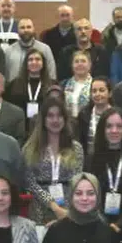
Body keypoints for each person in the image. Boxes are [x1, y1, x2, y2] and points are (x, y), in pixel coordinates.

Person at [22, 97, 85, 226]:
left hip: (68, 211)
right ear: (43, 120)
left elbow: (77, 181)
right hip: (39, 210)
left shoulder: (76, 148)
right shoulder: (30, 148)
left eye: (59, 116)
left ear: (65, 119)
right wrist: (53, 206)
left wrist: (64, 212)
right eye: (50, 116)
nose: (55, 120)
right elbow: (30, 183)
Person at [85, 108, 122, 228]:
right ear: (102, 129)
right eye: (109, 126)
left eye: (119, 126)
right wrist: (102, 223)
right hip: (96, 224)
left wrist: (121, 224)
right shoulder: (91, 160)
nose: (114, 130)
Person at [5, 48, 54, 130]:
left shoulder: (52, 84)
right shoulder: (14, 84)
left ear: (43, 63)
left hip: (45, 127)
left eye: (38, 59)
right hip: (20, 126)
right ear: (26, 64)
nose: (34, 62)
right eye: (30, 60)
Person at [75, 76, 113, 150]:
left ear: (110, 93)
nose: (97, 94)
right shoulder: (83, 115)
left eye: (101, 90)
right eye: (94, 91)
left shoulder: (117, 115)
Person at [60, 50, 95, 119]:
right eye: (76, 61)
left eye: (83, 61)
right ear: (72, 65)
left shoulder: (95, 84)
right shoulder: (63, 84)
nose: (80, 64)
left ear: (90, 65)